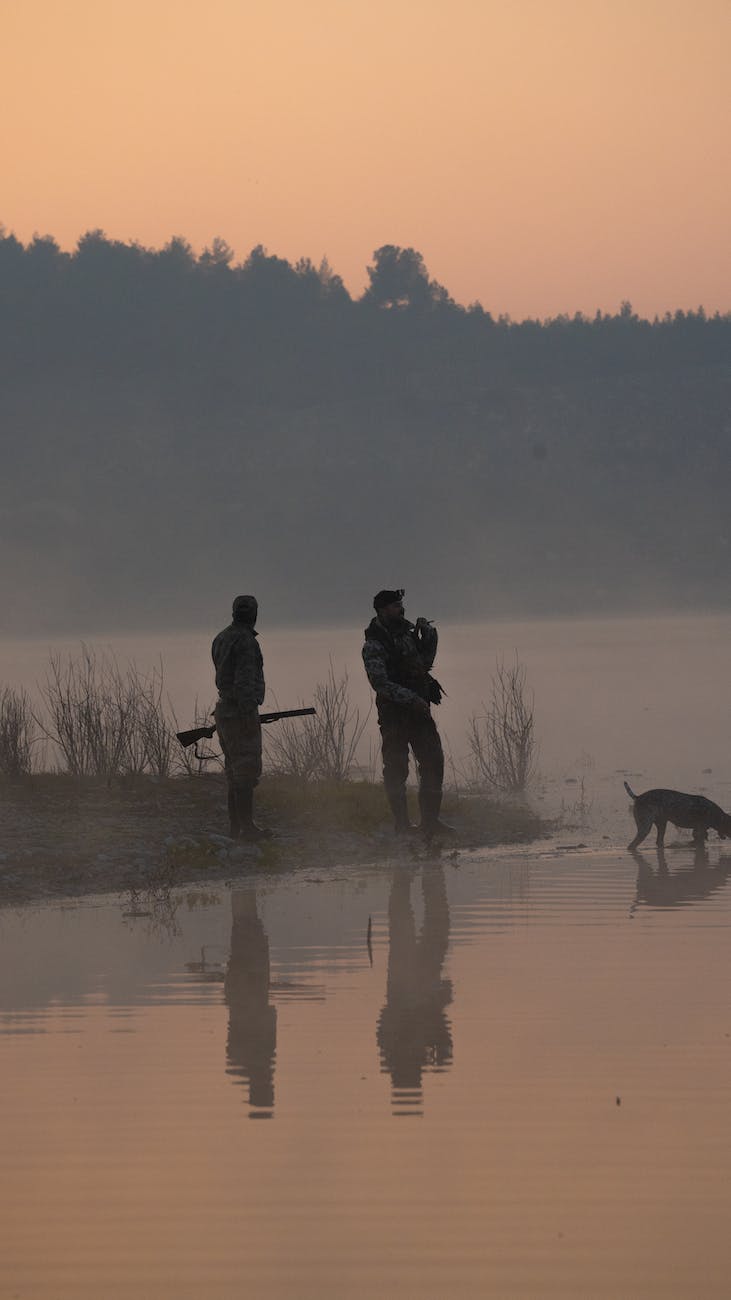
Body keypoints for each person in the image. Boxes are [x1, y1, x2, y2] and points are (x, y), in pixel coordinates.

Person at [362, 588, 453, 837]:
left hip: (419, 711)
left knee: (433, 761)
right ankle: (402, 825)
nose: (401, 610)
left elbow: (422, 665)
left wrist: (430, 637)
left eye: (401, 605)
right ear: (382, 610)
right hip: (394, 714)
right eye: (395, 606)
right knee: (396, 768)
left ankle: (430, 822)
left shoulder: (406, 634)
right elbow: (379, 683)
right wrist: (411, 698)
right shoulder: (373, 644)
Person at [212, 594, 272, 840]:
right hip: (240, 712)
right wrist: (248, 714)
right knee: (246, 771)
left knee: (234, 772)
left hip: (225, 710)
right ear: (255, 614)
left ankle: (236, 828)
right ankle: (246, 828)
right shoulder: (246, 641)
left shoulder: (221, 637)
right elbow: (245, 682)